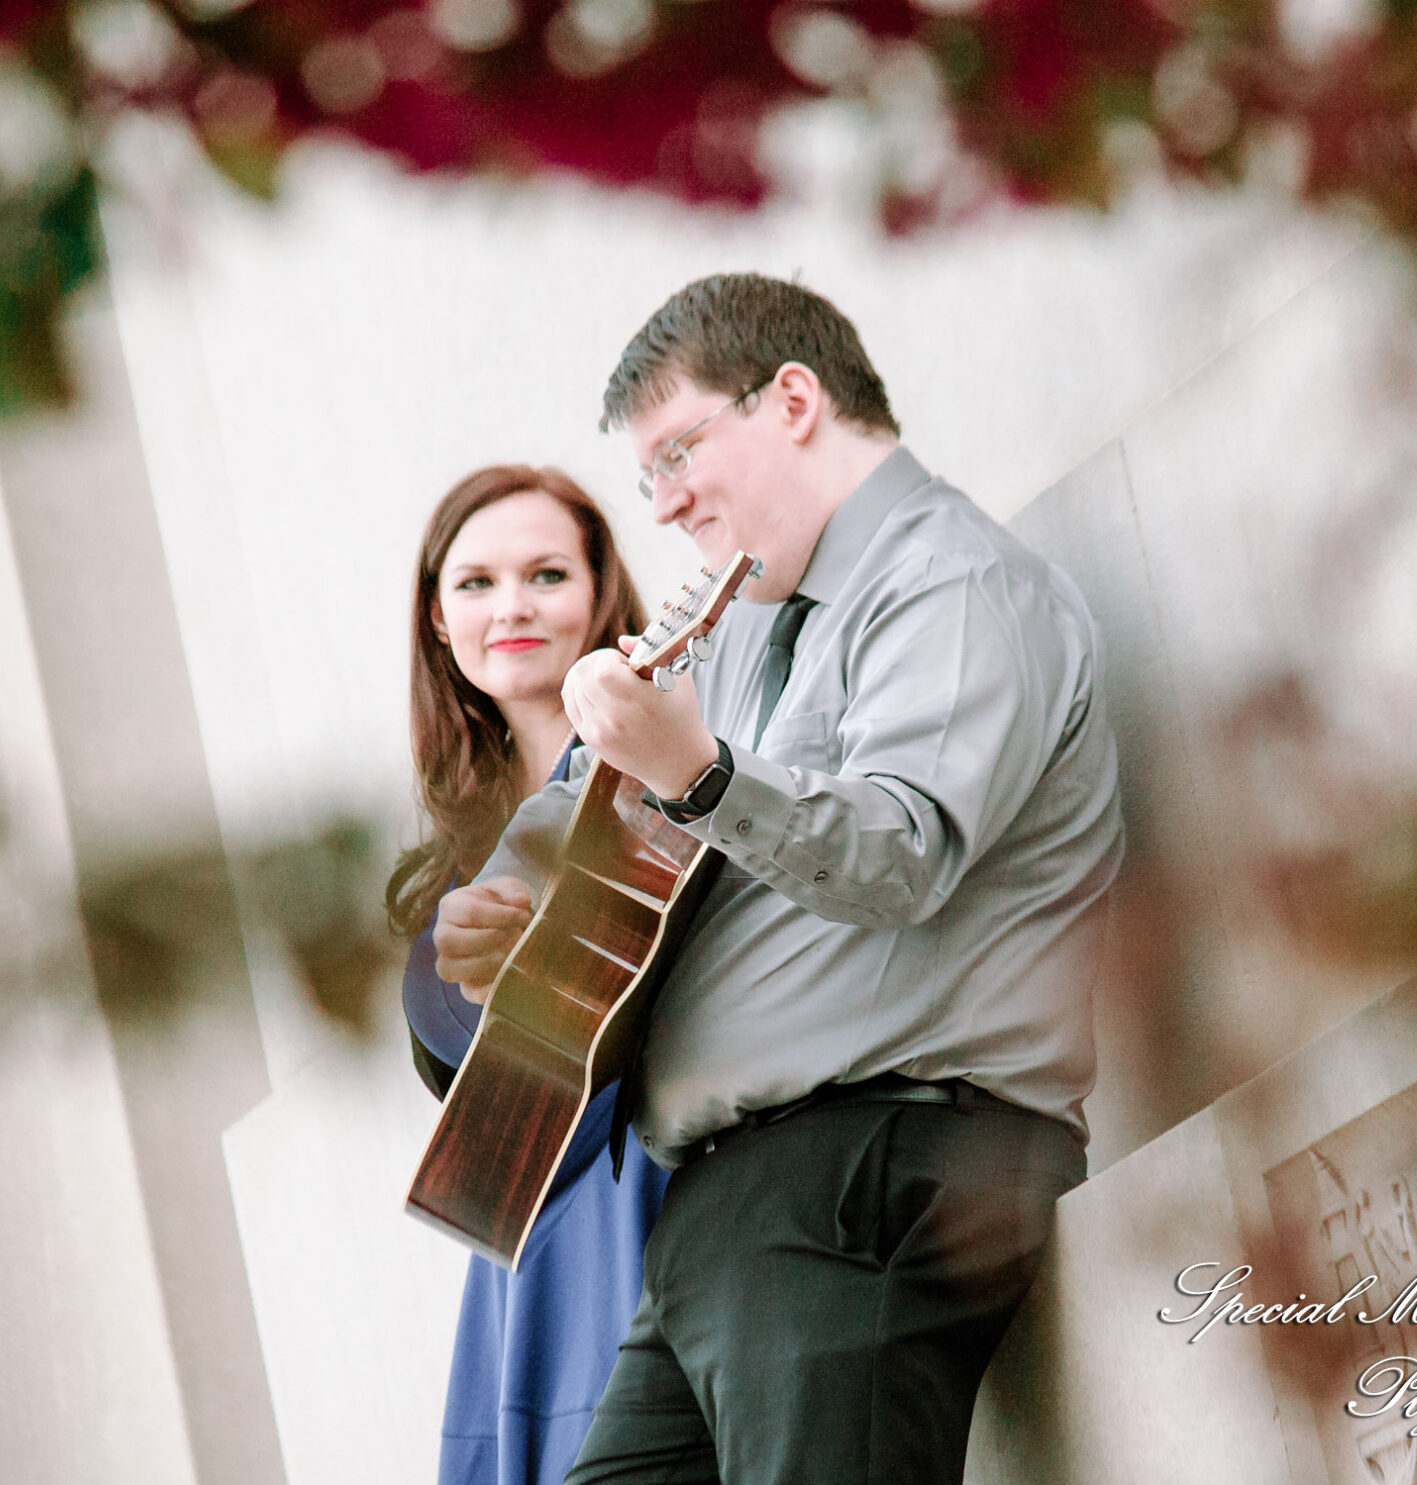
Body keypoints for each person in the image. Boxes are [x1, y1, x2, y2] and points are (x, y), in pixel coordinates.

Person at [434, 274, 1124, 1483]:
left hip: (875, 1169)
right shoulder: (745, 618)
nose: (663, 503)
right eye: (647, 476)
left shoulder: (955, 581)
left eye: (678, 452)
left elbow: (902, 852)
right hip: (728, 1209)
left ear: (793, 401)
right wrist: (526, 901)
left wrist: (696, 772)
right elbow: (629, 837)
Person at [388, 464, 673, 1485]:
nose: (511, 606)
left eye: (546, 574)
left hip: (651, 1192)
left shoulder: (666, 763)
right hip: (524, 1239)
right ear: (437, 617)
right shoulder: (448, 857)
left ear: (600, 592)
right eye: (476, 583)